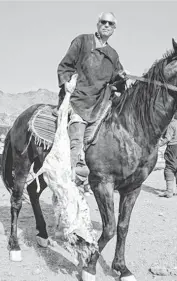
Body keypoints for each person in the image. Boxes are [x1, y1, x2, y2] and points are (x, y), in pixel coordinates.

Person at [56, 12, 127, 182]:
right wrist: (67, 83)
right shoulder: (81, 41)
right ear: (97, 24)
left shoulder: (113, 54)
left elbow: (117, 81)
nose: (107, 25)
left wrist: (124, 78)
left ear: (114, 29)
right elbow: (64, 66)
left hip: (99, 104)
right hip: (78, 98)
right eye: (104, 22)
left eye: (111, 24)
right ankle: (69, 180)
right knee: (77, 141)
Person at [159, 110, 177, 198]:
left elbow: (168, 138)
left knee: (169, 167)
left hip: (172, 148)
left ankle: (169, 191)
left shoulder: (171, 124)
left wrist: (158, 145)